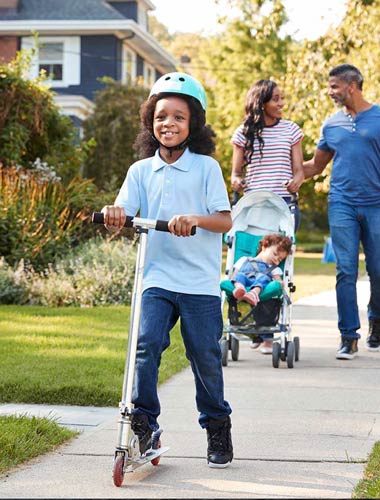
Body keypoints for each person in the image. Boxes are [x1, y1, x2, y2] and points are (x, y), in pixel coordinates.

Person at [101, 72, 234, 468]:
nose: (168, 124)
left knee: (204, 356)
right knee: (145, 345)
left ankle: (217, 426)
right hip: (156, 278)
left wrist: (195, 218)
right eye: (161, 116)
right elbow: (123, 212)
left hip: (199, 282)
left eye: (178, 117)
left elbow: (224, 220)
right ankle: (144, 426)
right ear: (150, 121)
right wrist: (114, 213)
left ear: (192, 123)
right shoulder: (140, 171)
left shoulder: (206, 168)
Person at [303, 64, 380, 360]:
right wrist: (286, 173)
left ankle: (377, 319)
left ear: (352, 86)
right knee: (345, 270)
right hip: (342, 204)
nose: (330, 91)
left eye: (335, 86)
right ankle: (348, 336)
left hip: (376, 204)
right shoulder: (331, 125)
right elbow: (316, 165)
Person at [230, 79, 304, 231]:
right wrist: (237, 181)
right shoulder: (243, 133)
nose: (281, 103)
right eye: (276, 99)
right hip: (252, 204)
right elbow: (235, 174)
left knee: (280, 253)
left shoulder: (291, 130)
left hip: (283, 203)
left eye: (281, 98)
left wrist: (295, 182)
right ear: (261, 104)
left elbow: (299, 172)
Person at [230, 233, 292, 354]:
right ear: (264, 246)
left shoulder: (274, 269)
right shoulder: (244, 260)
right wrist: (236, 282)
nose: (276, 260)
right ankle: (240, 289)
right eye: (275, 254)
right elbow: (234, 275)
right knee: (240, 276)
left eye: (280, 259)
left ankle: (254, 293)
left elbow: (278, 281)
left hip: (262, 292)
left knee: (263, 278)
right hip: (244, 285)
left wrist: (280, 283)